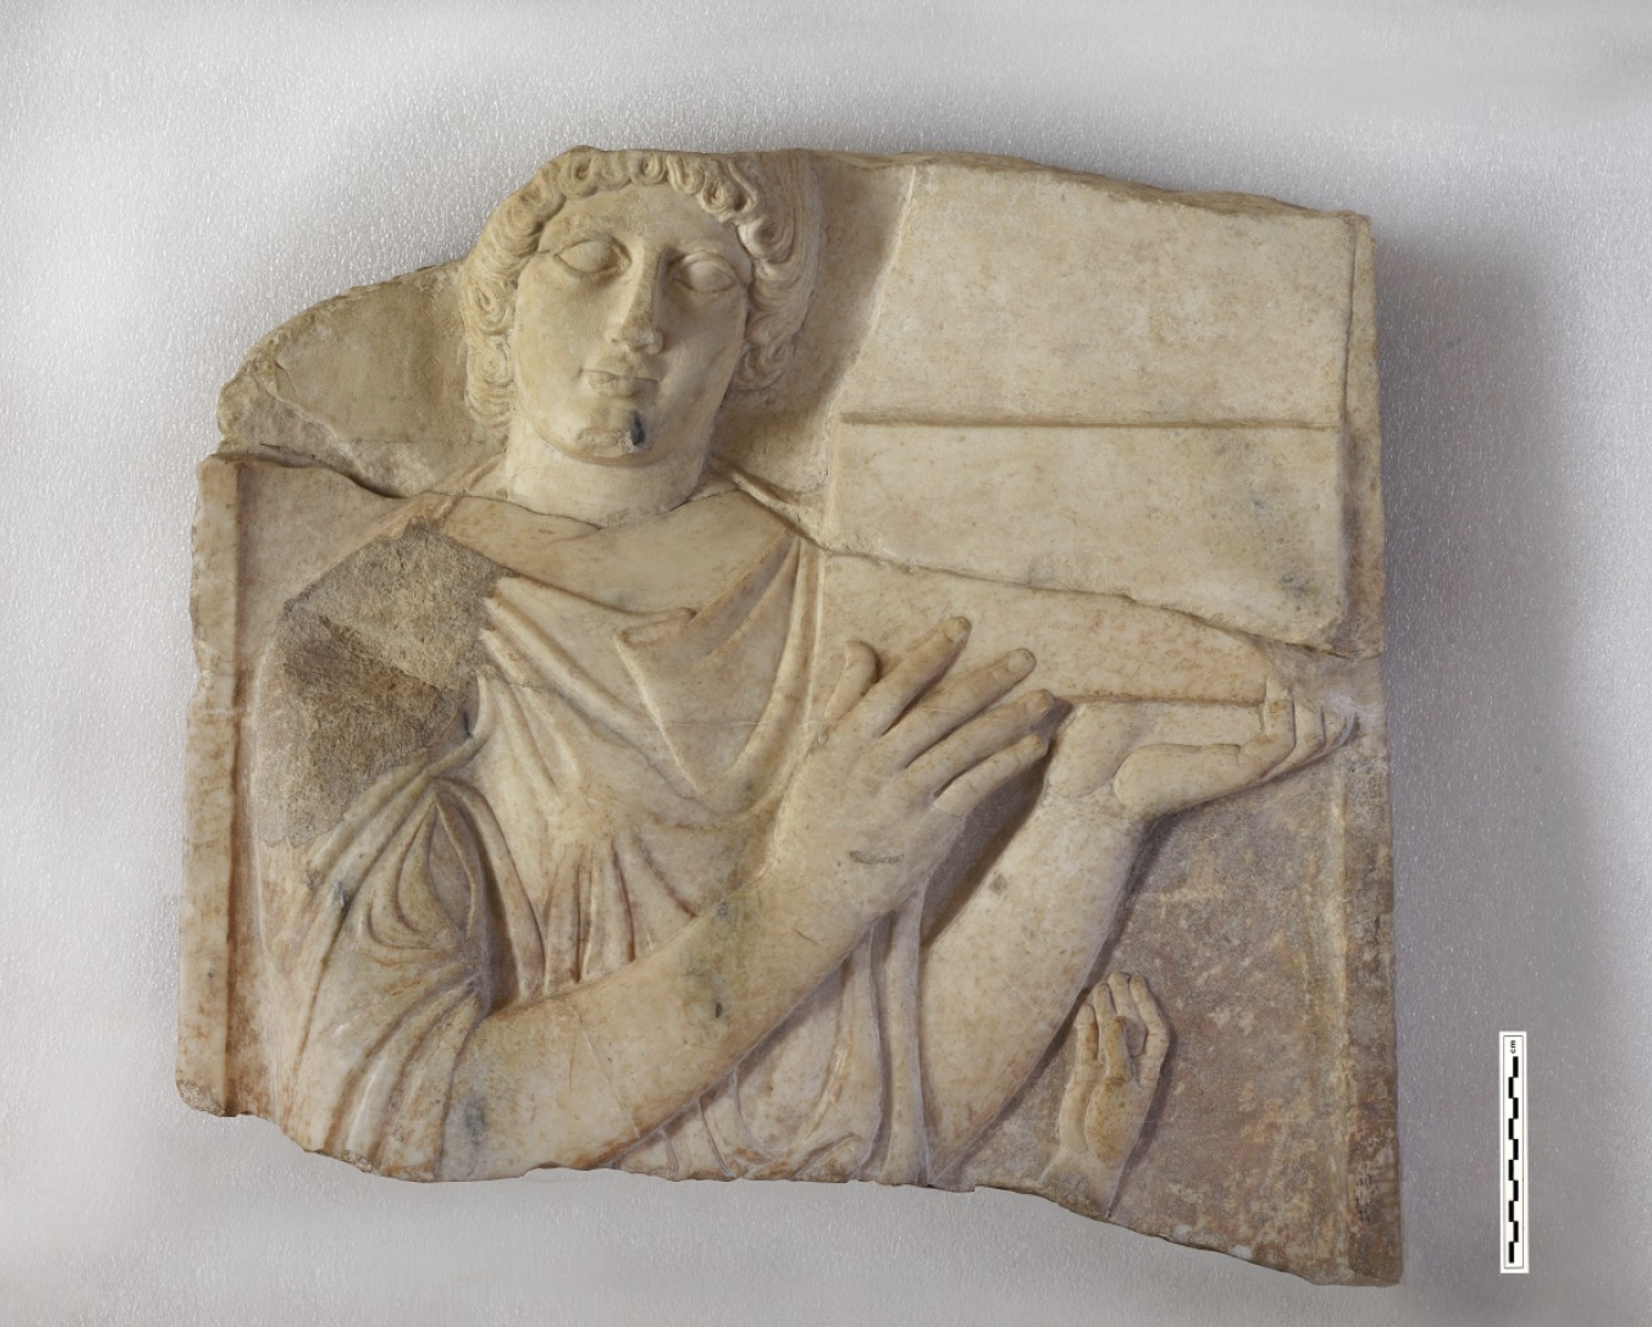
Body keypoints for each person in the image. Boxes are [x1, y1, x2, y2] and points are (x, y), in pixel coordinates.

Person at [251, 147, 1343, 1201]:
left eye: (702, 276)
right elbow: (405, 1117)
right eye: (591, 261)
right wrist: (807, 897)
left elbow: (884, 1121)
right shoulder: (371, 634)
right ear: (500, 303)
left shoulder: (826, 597)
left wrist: (1087, 815)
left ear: (756, 341)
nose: (639, 321)